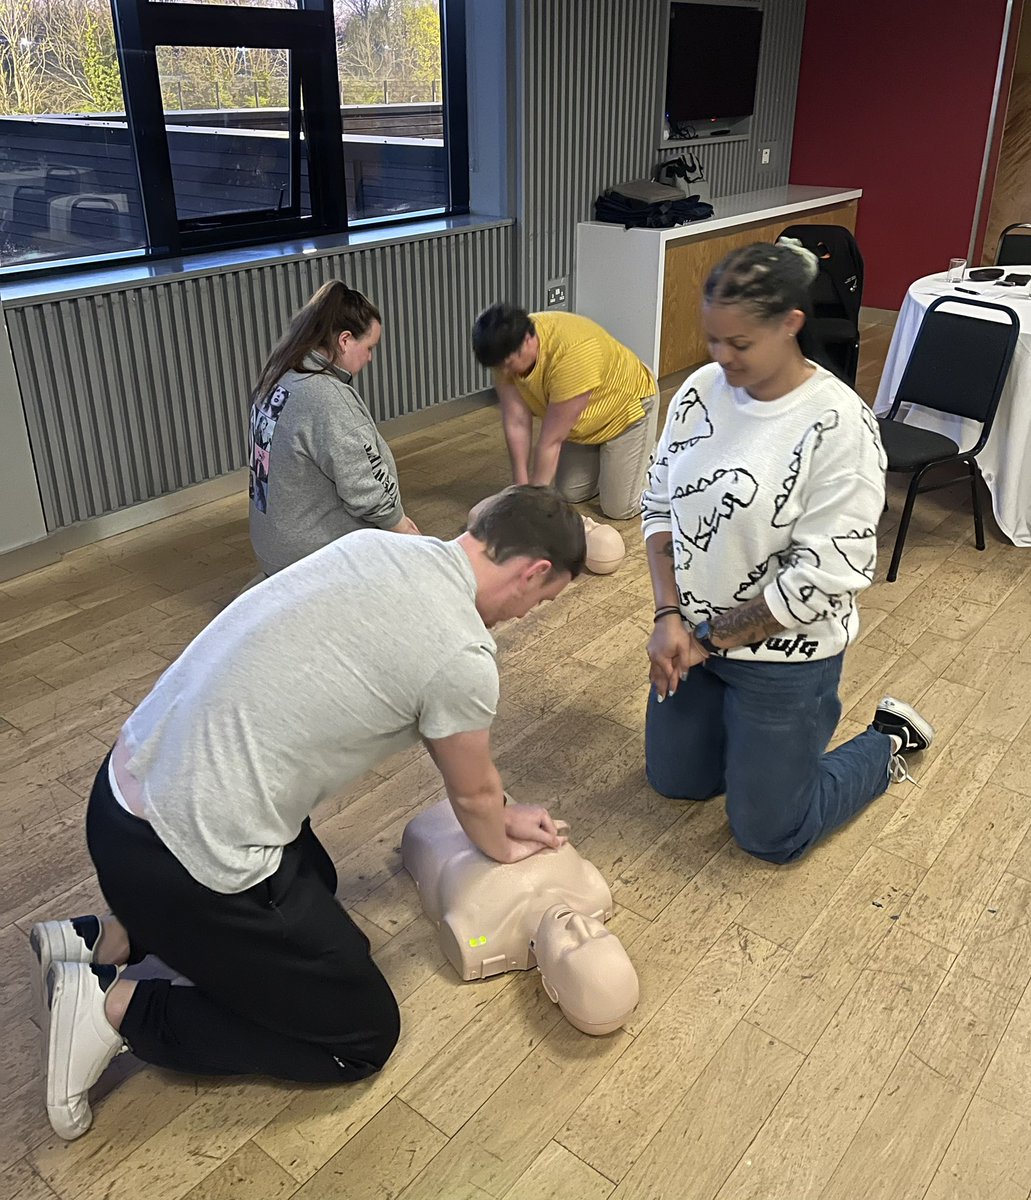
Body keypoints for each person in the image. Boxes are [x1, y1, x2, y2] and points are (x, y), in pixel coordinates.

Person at [31, 486, 585, 1141]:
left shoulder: (375, 547)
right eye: (538, 604)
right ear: (533, 573)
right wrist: (501, 837)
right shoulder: (462, 656)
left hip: (119, 800)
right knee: (361, 1035)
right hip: (180, 857)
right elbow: (470, 797)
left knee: (316, 882)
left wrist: (497, 809)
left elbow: (476, 790)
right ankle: (111, 1007)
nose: (523, 616)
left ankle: (108, 938)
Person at [641, 242, 934, 865]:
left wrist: (706, 640)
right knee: (676, 782)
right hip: (693, 634)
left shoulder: (840, 426)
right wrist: (668, 617)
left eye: (739, 343)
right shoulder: (698, 391)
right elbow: (660, 506)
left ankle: (887, 740)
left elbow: (825, 579)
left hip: (785, 656)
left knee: (771, 835)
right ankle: (750, 751)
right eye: (712, 339)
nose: (721, 357)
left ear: (790, 324)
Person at [247, 279, 418, 577]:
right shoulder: (326, 397)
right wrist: (402, 527)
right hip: (308, 557)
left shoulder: (281, 373)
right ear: (345, 340)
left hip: (273, 548)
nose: (370, 357)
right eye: (369, 347)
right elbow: (364, 484)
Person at [471, 304, 659, 521]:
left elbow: (551, 440)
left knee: (619, 508)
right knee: (570, 493)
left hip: (627, 412)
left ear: (528, 340)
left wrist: (536, 504)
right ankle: (612, 463)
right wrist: (521, 489)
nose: (505, 372)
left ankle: (654, 459)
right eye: (499, 367)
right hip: (584, 423)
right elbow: (517, 422)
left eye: (508, 364)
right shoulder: (504, 350)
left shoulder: (573, 354)